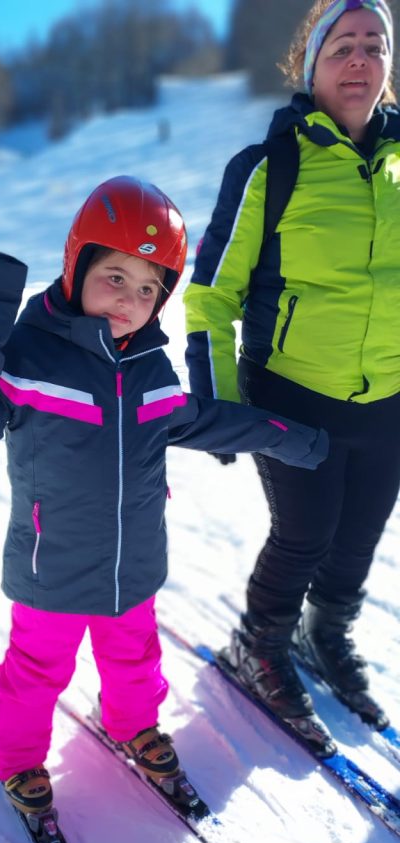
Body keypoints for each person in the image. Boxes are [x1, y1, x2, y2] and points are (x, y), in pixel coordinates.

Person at [0, 176, 327, 817]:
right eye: (115, 276)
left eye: (148, 289)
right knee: (35, 671)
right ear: (77, 263)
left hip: (133, 563)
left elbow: (204, 418)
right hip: (49, 565)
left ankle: (134, 725)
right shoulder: (27, 356)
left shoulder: (149, 367)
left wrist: (288, 437)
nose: (129, 300)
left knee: (135, 657)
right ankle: (18, 758)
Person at [183, 0, 398, 753]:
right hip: (291, 394)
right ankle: (259, 644)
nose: (360, 59)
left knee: (359, 537)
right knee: (304, 534)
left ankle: (323, 633)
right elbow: (212, 293)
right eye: (343, 46)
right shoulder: (271, 166)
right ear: (312, 66)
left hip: (388, 397)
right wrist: (217, 403)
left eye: (375, 45)